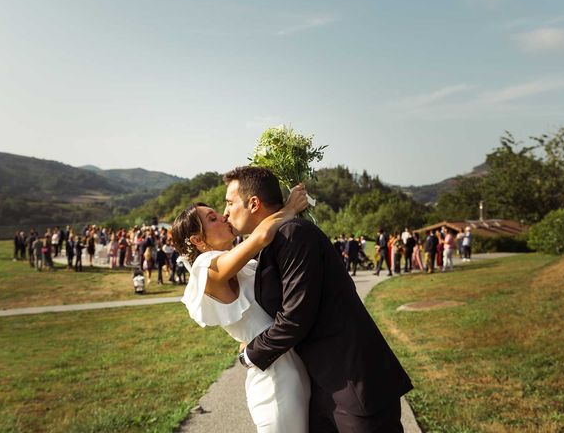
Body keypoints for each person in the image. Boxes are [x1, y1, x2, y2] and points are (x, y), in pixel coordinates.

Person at [223, 167, 412, 433]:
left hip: (352, 382)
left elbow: (294, 318)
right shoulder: (270, 244)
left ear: (253, 203)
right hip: (320, 385)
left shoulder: (294, 234)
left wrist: (249, 355)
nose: (225, 212)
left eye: (230, 203)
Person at [173, 182, 311, 433]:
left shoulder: (236, 262)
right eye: (213, 218)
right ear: (197, 239)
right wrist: (290, 207)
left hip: (289, 363)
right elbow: (261, 235)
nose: (224, 216)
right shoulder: (206, 267)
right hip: (274, 379)